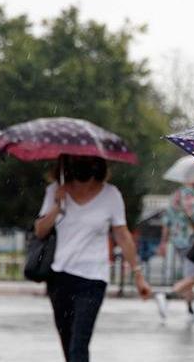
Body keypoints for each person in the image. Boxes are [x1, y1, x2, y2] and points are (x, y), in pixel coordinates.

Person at [34, 155, 151, 362]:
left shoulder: (111, 195)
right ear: (67, 163)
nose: (82, 164)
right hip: (60, 278)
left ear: (97, 163)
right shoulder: (55, 191)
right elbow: (40, 231)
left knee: (79, 344)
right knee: (67, 343)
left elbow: (122, 235)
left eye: (88, 161)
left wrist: (138, 274)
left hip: (93, 279)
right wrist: (56, 207)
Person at [156, 181, 194, 321]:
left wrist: (163, 242)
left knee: (188, 275)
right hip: (191, 241)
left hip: (177, 240)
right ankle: (166, 295)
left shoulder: (175, 195)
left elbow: (167, 221)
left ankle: (190, 311)